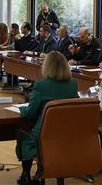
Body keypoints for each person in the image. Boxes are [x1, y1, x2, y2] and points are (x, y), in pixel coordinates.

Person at [16, 52, 78, 185]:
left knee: (23, 136)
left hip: (43, 136)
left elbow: (30, 113)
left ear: (47, 66)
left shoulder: (41, 85)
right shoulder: (73, 84)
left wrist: (21, 108)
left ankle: (26, 175)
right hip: (66, 135)